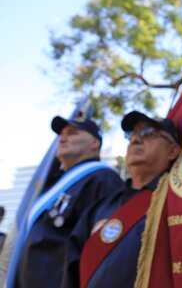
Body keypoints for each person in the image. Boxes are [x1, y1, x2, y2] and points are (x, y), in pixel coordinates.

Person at [61, 111, 181, 288]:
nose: (135, 140)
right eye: (132, 135)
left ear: (172, 150)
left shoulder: (178, 201)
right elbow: (72, 270)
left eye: (148, 133)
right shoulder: (99, 207)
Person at [8, 115, 123, 288]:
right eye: (61, 134)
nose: (63, 138)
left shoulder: (102, 179)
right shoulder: (54, 186)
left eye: (73, 133)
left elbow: (103, 249)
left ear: (94, 143)